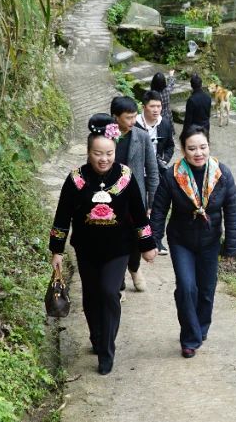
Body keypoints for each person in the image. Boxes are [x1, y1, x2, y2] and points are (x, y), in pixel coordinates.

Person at [50, 114, 157, 375]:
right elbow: (62, 215)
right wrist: (57, 250)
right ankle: (97, 337)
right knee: (91, 297)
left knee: (110, 293)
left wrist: (147, 245)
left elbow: (139, 213)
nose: (104, 159)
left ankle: (107, 351)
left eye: (109, 153)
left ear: (115, 152)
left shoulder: (125, 177)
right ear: (88, 153)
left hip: (118, 248)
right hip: (86, 249)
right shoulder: (75, 180)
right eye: (98, 153)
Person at [151, 125, 236, 358]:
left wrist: (231, 247)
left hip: (210, 241)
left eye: (203, 147)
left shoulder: (222, 174)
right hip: (182, 241)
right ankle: (189, 338)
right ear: (183, 150)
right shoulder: (172, 175)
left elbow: (232, 211)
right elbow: (159, 209)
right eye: (192, 148)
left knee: (207, 290)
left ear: (209, 147)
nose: (198, 153)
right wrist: (153, 241)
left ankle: (201, 327)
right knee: (187, 287)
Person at [111, 96, 160, 292]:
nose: (133, 122)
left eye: (134, 117)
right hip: (110, 198)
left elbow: (153, 171)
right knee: (114, 239)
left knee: (134, 237)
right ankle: (119, 282)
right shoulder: (105, 136)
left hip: (134, 198)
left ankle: (134, 268)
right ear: (115, 117)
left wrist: (151, 202)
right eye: (128, 118)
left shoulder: (142, 136)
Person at [136, 90, 175, 256]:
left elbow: (170, 145)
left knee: (157, 207)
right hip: (137, 170)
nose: (156, 109)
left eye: (159, 106)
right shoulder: (135, 124)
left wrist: (164, 160)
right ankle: (138, 240)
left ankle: (156, 241)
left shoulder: (164, 123)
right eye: (152, 106)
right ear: (144, 106)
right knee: (138, 205)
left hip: (156, 171)